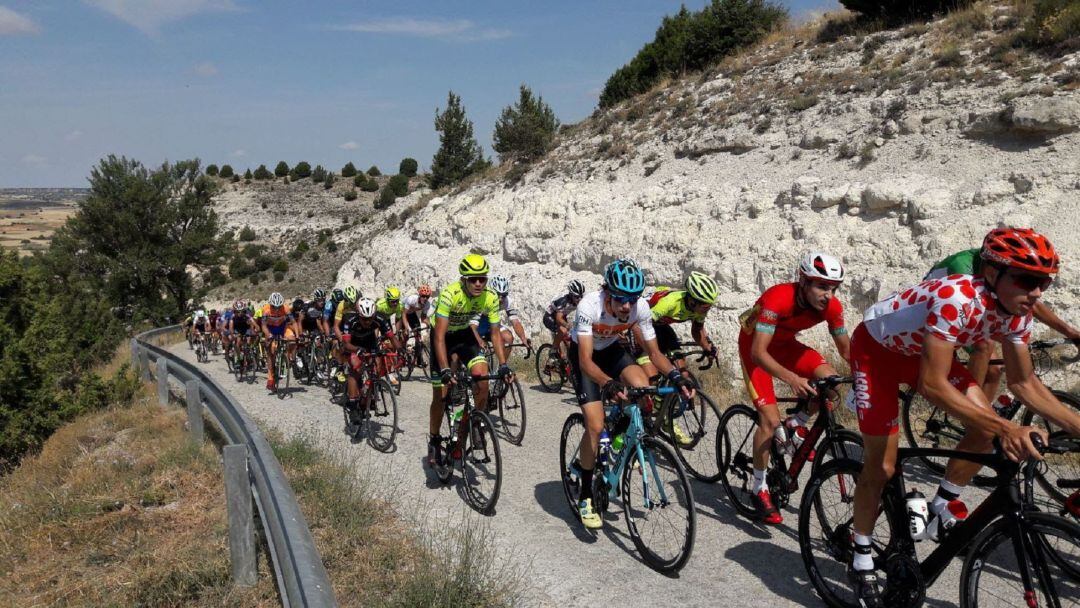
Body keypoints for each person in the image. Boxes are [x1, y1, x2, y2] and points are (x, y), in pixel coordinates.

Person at [845, 228, 1080, 605]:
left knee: (984, 427)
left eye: (1044, 283)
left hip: (921, 353)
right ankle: (860, 556)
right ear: (992, 273)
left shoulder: (1018, 312)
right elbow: (934, 385)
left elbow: (1025, 383)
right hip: (876, 352)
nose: (1036, 292)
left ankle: (942, 504)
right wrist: (1007, 427)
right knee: (882, 467)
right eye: (1026, 279)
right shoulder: (956, 296)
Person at [569, 258, 694, 529]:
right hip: (586, 357)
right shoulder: (588, 306)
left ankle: (616, 434)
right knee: (594, 424)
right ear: (607, 293)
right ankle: (587, 494)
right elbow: (586, 362)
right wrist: (607, 383)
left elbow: (655, 354)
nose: (627, 306)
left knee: (642, 391)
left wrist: (676, 376)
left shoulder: (640, 308)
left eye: (632, 299)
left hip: (612, 350)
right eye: (620, 299)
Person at [737, 252, 851, 525]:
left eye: (833, 288)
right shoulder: (777, 299)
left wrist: (870, 374)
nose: (828, 295)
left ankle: (796, 423)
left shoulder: (831, 308)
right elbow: (758, 353)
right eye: (822, 286)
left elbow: (847, 350)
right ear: (803, 281)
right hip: (756, 349)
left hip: (786, 346)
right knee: (768, 420)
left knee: (831, 383)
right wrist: (792, 379)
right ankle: (759, 487)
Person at [925, 244, 1080, 403]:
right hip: (938, 313)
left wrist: (1070, 332)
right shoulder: (961, 265)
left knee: (995, 370)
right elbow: (974, 308)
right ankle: (970, 410)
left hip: (965, 309)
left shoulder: (999, 268)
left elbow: (1031, 302)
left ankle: (983, 413)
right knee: (984, 345)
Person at [427, 254, 512, 467]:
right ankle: (435, 439)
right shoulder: (449, 295)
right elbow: (438, 337)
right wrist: (445, 369)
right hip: (443, 337)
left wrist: (503, 364)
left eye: (482, 279)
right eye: (473, 279)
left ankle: (474, 422)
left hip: (464, 335)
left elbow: (494, 334)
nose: (478, 283)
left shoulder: (490, 297)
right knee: (440, 396)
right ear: (463, 279)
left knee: (483, 380)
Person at [341, 298, 401, 431]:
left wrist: (401, 351)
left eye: (370, 319)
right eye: (364, 319)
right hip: (353, 345)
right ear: (358, 315)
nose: (368, 322)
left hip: (370, 343)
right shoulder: (350, 320)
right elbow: (346, 344)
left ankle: (367, 396)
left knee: (377, 368)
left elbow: (392, 338)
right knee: (355, 368)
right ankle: (352, 405)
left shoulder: (380, 318)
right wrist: (356, 350)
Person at [471, 275, 532, 354]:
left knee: (508, 337)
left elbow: (515, 322)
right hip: (475, 324)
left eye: (503, 295)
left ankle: (502, 366)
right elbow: (472, 324)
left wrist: (523, 338)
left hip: (491, 323)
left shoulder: (507, 301)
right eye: (497, 294)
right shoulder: (482, 299)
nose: (500, 299)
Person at [261, 292, 300, 390]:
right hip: (270, 329)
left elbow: (294, 323)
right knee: (271, 351)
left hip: (282, 328)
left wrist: (297, 335)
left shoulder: (286, 308)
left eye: (279, 307)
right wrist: (269, 335)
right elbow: (263, 326)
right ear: (271, 305)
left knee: (292, 339)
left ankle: (289, 357)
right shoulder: (266, 310)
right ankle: (270, 377)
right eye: (274, 307)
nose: (277, 309)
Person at [543, 280, 585, 358]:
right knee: (563, 331)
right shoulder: (564, 301)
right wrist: (567, 325)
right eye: (577, 297)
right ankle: (553, 351)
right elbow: (558, 318)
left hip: (562, 315)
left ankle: (569, 362)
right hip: (550, 317)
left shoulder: (579, 301)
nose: (579, 299)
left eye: (581, 296)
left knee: (570, 340)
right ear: (571, 295)